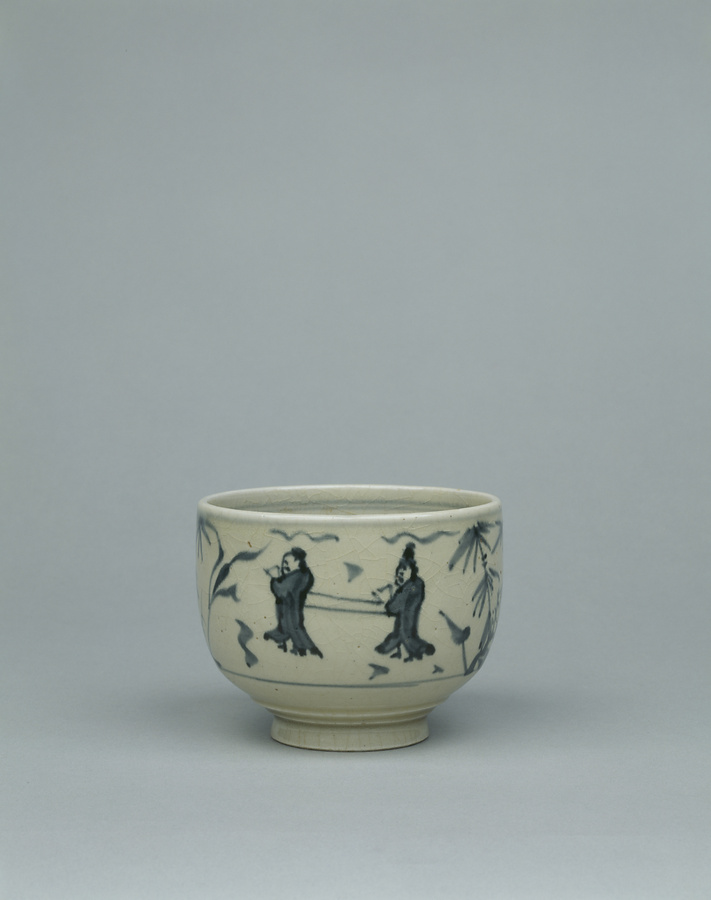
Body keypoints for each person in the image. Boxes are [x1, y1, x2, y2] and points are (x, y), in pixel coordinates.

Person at [375, 543, 435, 662]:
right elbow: (400, 597)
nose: (401, 571)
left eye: (404, 568)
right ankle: (386, 648)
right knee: (400, 631)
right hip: (407, 610)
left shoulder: (412, 584)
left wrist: (390, 608)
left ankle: (421, 648)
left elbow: (400, 600)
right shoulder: (414, 582)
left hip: (408, 611)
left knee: (406, 633)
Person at [263, 548, 323, 657]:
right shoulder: (302, 574)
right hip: (291, 602)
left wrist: (273, 581)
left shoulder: (297, 576)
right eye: (283, 564)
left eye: (286, 564)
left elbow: (281, 588)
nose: (283, 567)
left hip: (293, 604)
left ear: (297, 561)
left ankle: (306, 647)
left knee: (294, 624)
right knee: (289, 622)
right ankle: (300, 646)